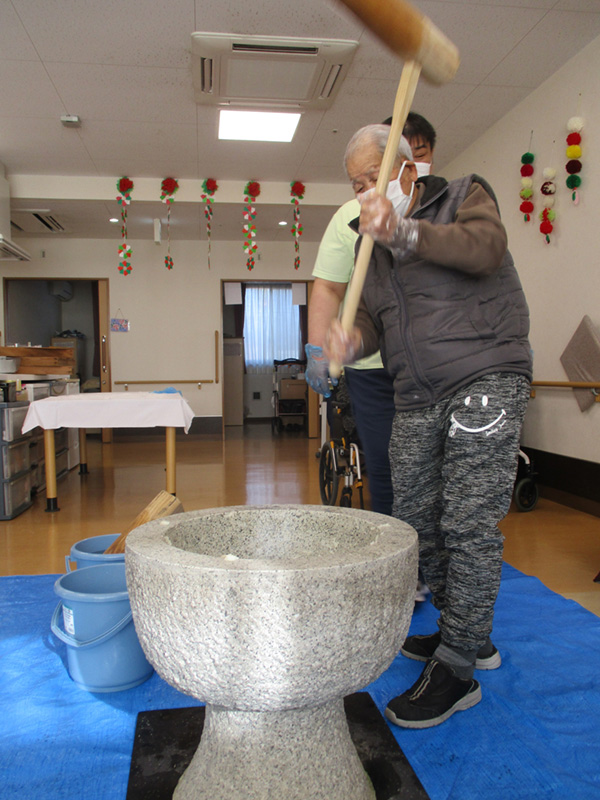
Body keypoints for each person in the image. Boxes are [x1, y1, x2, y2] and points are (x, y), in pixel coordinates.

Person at [324, 123, 532, 728]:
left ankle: (460, 665)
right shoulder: (373, 248)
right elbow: (369, 322)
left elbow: (484, 249)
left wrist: (406, 231)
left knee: (467, 518)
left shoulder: (464, 195)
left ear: (405, 173)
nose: (364, 191)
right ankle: (462, 629)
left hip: (485, 375)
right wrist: (348, 335)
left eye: (372, 178)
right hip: (416, 392)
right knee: (415, 518)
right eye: (357, 183)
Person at [306, 113, 436, 518]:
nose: (366, 189)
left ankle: (430, 560)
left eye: (422, 152)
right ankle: (396, 564)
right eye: (359, 182)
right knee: (383, 465)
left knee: (432, 469)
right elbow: (329, 287)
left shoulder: (439, 210)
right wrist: (317, 350)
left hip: (428, 365)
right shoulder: (349, 219)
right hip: (371, 367)